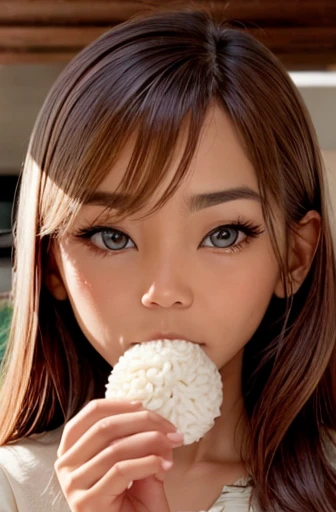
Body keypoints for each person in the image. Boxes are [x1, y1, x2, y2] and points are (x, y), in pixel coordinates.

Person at [0, 7, 335, 512]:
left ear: (295, 255)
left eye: (223, 234)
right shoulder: (13, 489)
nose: (164, 288)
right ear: (51, 265)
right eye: (112, 237)